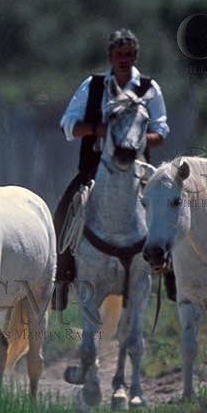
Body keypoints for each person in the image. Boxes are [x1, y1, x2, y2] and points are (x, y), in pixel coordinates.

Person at [51, 28, 168, 312]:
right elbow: (68, 124)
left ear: (135, 56)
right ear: (110, 56)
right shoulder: (93, 86)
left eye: (128, 54)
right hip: (95, 167)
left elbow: (161, 129)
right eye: (118, 54)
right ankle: (61, 275)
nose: (123, 59)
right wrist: (97, 130)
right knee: (65, 207)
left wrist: (139, 140)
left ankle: (170, 271)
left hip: (138, 169)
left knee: (168, 208)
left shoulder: (149, 88)